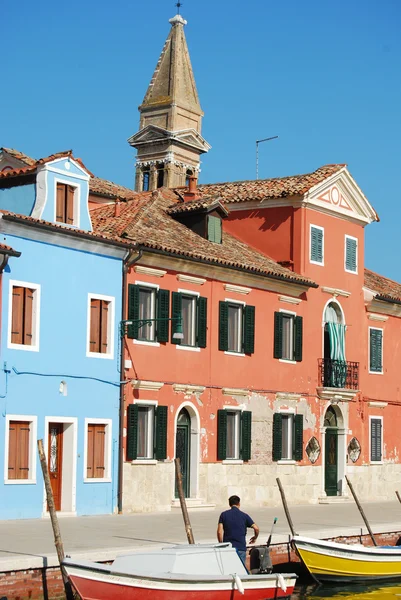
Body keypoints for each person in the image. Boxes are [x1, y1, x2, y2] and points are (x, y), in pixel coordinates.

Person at [217, 495, 260, 566]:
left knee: (228, 569)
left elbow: (219, 532)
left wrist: (221, 543)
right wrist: (255, 537)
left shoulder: (223, 515)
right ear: (239, 504)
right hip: (241, 548)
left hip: (228, 548)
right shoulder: (244, 516)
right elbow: (256, 528)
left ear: (229, 504)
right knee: (240, 570)